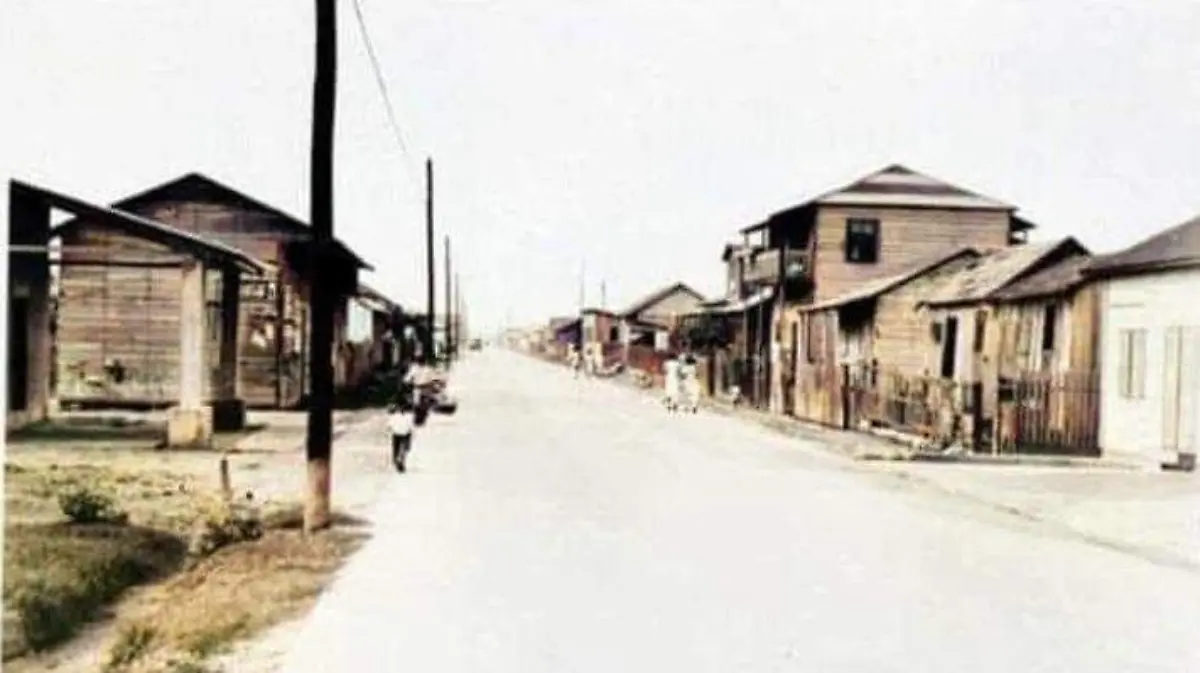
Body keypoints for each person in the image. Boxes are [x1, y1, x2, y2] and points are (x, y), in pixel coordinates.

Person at [387, 398, 414, 473]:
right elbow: (411, 426)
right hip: (405, 434)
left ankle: (396, 460)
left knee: (396, 448)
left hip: (396, 434)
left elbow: (389, 426)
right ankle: (401, 459)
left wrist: (392, 429)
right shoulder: (409, 416)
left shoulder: (394, 416)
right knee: (405, 448)